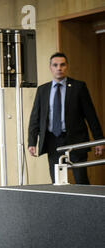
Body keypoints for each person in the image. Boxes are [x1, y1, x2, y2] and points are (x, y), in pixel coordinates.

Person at [28, 52, 104, 184]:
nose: (59, 68)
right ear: (50, 68)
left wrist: (99, 140)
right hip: (52, 141)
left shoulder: (78, 87)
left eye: (62, 65)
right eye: (55, 65)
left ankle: (85, 204)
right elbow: (35, 117)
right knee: (57, 181)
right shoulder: (43, 90)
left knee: (81, 180)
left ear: (67, 66)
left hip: (75, 140)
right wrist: (32, 141)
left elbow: (91, 115)